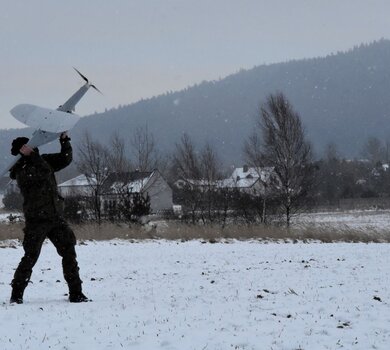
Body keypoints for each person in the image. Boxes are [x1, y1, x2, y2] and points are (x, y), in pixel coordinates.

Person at [9, 133, 89, 304]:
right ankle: (16, 295)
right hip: (36, 220)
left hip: (55, 217)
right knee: (30, 256)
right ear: (22, 152)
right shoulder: (20, 170)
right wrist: (32, 157)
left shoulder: (41, 160)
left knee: (69, 251)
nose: (34, 148)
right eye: (30, 147)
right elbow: (43, 172)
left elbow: (65, 159)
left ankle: (76, 293)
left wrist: (65, 140)